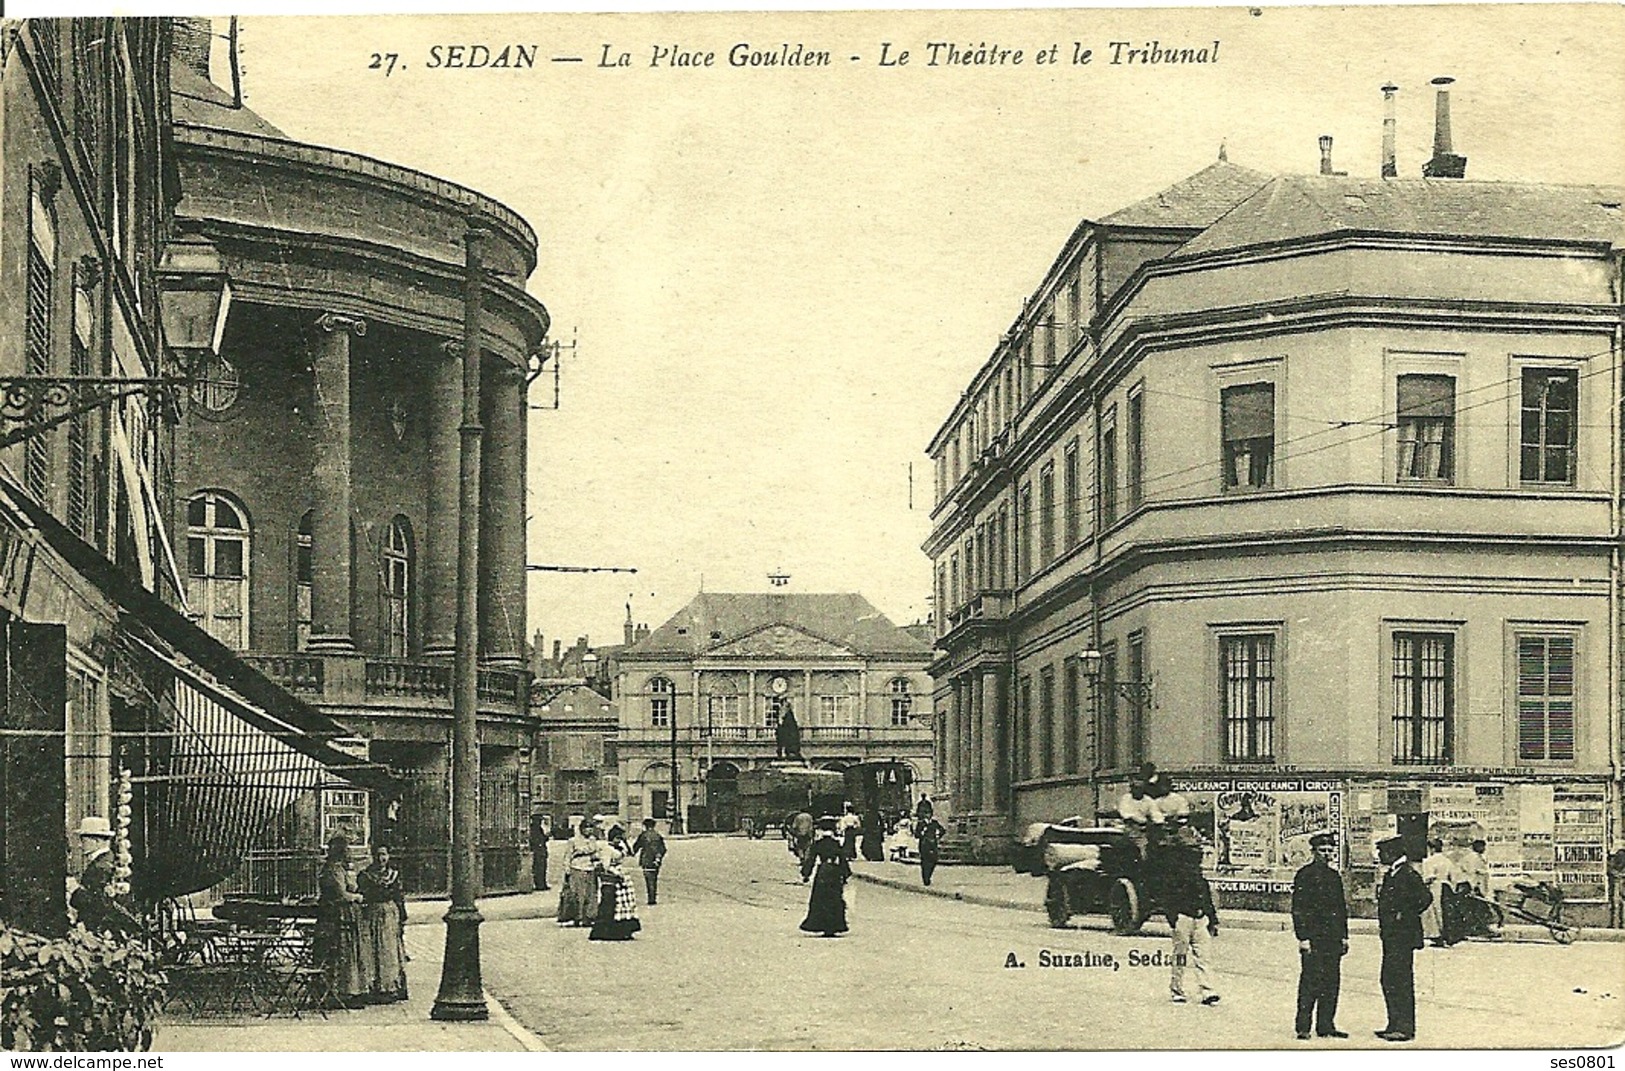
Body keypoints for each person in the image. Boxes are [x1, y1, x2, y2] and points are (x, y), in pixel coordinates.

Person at [1290, 832, 1349, 1039]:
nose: (1326, 854)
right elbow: (1298, 908)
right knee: (1310, 982)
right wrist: (1303, 937)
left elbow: (1341, 908)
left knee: (1331, 983)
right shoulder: (1304, 875)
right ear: (1313, 852)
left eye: (1329, 850)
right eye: (1322, 850)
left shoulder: (1334, 877)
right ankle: (1303, 1027)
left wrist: (1344, 936)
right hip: (1314, 938)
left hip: (1332, 938)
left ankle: (1326, 1025)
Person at [1375, 834, 1432, 1042]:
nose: (1379, 855)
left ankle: (1404, 1028)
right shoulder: (1394, 872)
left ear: (1392, 852)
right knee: (1389, 979)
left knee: (1399, 981)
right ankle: (1394, 1024)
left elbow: (1425, 898)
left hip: (1402, 936)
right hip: (1392, 936)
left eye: (1381, 852)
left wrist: (1404, 913)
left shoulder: (1407, 874)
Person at [1161, 827, 1220, 1005]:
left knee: (1203, 956)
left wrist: (1212, 919)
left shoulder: (1197, 876)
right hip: (1184, 918)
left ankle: (1207, 990)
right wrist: (1174, 918)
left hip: (1199, 919)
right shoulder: (1175, 876)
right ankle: (1177, 989)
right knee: (1181, 956)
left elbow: (1206, 898)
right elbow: (1168, 898)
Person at [316, 835, 368, 1007]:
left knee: (350, 952)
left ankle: (351, 990)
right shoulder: (333, 870)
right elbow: (341, 894)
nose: (349, 853)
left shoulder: (341, 869)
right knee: (342, 952)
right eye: (346, 849)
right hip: (338, 914)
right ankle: (341, 992)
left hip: (346, 914)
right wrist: (358, 897)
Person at [70, 817, 140, 938]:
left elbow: (97, 904)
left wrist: (74, 890)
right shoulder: (108, 860)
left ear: (96, 841)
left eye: (84, 839)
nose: (81, 845)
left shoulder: (100, 867)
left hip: (101, 931)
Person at [356, 845, 408, 1003]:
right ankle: (374, 987)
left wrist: (402, 918)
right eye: (377, 855)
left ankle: (390, 987)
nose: (381, 859)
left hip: (389, 914)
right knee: (372, 950)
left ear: (389, 856)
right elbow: (362, 894)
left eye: (384, 855)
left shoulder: (394, 875)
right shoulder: (365, 875)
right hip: (372, 913)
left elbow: (399, 897)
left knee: (389, 949)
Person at [800, 816, 850, 937]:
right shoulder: (836, 843)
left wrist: (806, 874)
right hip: (834, 871)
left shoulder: (818, 844)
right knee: (834, 898)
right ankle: (834, 925)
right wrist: (845, 874)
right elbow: (843, 859)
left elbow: (810, 859)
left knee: (821, 898)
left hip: (823, 871)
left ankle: (821, 924)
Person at [589, 825, 641, 941]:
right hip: (612, 878)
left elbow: (630, 853)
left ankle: (624, 931)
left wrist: (625, 843)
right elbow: (606, 866)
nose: (620, 841)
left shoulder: (619, 847)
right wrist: (617, 874)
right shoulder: (607, 849)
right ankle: (608, 932)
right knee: (611, 904)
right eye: (618, 838)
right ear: (613, 838)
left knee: (624, 904)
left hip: (621, 877)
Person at [557, 819, 602, 927]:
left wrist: (596, 859)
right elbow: (567, 856)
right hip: (577, 868)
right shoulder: (573, 841)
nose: (589, 830)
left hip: (590, 868)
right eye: (586, 827)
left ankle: (588, 917)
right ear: (581, 829)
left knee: (590, 895)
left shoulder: (593, 840)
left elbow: (597, 853)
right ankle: (577, 917)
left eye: (590, 827)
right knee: (577, 894)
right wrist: (567, 869)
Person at [1419, 838, 1462, 947]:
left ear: (1431, 848)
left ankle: (1437, 936)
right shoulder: (1447, 860)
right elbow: (1454, 876)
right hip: (1446, 887)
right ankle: (1447, 936)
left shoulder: (1429, 861)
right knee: (1445, 912)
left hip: (1435, 887)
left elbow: (1429, 877)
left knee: (1434, 913)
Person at [1117, 780, 1163, 859]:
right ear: (1131, 789)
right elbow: (1125, 814)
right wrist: (1136, 820)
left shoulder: (1148, 800)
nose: (1137, 790)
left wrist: (1157, 821)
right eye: (1135, 788)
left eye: (1140, 788)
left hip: (1142, 830)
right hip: (1127, 828)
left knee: (1145, 850)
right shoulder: (1126, 798)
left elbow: (1156, 814)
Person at [632, 818, 667, 906]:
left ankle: (651, 898)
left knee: (648, 879)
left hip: (646, 859)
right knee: (654, 878)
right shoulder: (658, 836)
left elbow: (636, 846)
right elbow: (663, 849)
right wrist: (659, 857)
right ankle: (653, 897)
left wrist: (633, 852)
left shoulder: (643, 835)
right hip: (656, 860)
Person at [916, 811, 947, 887]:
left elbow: (942, 830)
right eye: (926, 814)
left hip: (933, 844)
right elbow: (916, 834)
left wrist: (938, 836)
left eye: (929, 814)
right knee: (925, 861)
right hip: (924, 844)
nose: (928, 815)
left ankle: (929, 875)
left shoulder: (934, 823)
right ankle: (926, 878)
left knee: (933, 860)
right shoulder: (921, 823)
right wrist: (921, 834)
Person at [529, 812, 551, 892]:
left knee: (542, 868)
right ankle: (540, 885)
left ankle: (542, 884)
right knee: (539, 868)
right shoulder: (535, 829)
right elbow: (536, 840)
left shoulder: (538, 828)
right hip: (538, 851)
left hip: (541, 851)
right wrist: (545, 838)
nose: (540, 822)